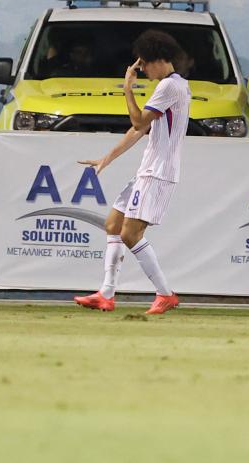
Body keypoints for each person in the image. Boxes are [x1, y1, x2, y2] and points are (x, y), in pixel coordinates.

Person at [74, 29, 191, 315]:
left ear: (157, 59)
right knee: (113, 225)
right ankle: (106, 294)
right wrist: (107, 158)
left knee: (130, 234)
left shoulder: (169, 86)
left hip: (158, 171)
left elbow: (138, 122)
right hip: (148, 169)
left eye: (144, 63)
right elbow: (139, 130)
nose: (143, 70)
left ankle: (165, 294)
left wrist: (128, 88)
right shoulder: (174, 85)